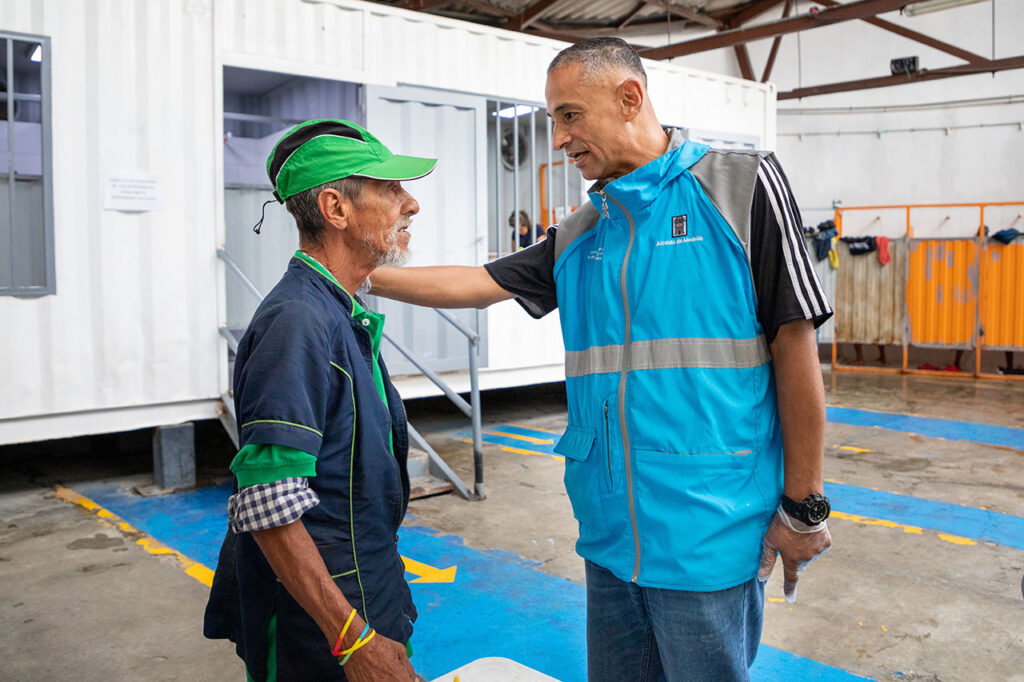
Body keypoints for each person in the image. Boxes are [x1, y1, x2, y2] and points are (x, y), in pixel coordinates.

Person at [370, 38, 833, 680]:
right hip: (610, 541)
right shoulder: (585, 230)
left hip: (708, 536)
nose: (558, 139)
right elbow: (478, 282)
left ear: (629, 98)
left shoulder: (740, 185)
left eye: (569, 115)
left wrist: (804, 506)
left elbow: (795, 345)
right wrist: (363, 275)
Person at [203, 118, 437, 682]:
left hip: (363, 589)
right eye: (390, 189)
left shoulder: (336, 310)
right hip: (321, 625)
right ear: (336, 208)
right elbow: (268, 502)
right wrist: (354, 642)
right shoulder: (299, 323)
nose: (411, 204)